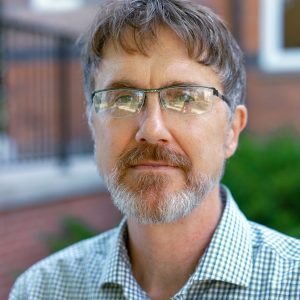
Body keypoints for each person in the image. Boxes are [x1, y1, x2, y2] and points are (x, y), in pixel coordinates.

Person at [9, 0, 300, 299]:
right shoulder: (42, 289)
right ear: (94, 126)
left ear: (232, 131)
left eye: (185, 98)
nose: (151, 130)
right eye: (121, 98)